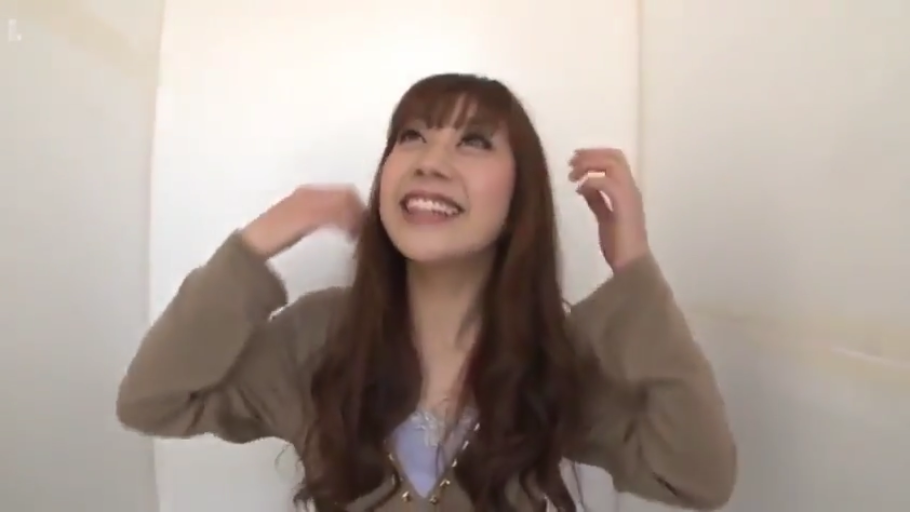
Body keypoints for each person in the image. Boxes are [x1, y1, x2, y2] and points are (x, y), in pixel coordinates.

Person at [116, 73, 736, 511]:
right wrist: (260, 241)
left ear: (519, 201)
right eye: (412, 136)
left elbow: (698, 477)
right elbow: (152, 401)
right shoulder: (316, 337)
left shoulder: (555, 356)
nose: (430, 161)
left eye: (473, 142)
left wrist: (633, 269)